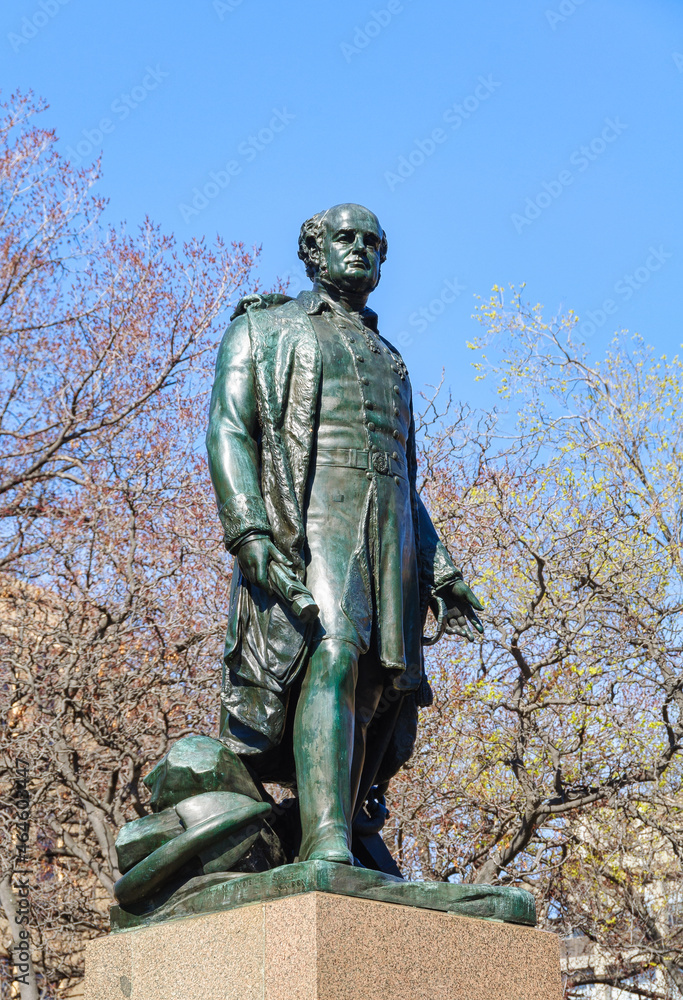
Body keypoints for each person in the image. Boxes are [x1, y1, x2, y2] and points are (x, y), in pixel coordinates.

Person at [206, 203, 482, 865]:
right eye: (344, 238)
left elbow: (402, 475)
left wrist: (440, 568)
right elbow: (227, 431)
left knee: (374, 684)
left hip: (387, 526)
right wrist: (248, 533)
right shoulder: (264, 329)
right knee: (330, 652)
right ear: (313, 251)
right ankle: (325, 838)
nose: (359, 249)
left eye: (373, 242)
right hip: (312, 517)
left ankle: (332, 825)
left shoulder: (389, 357)